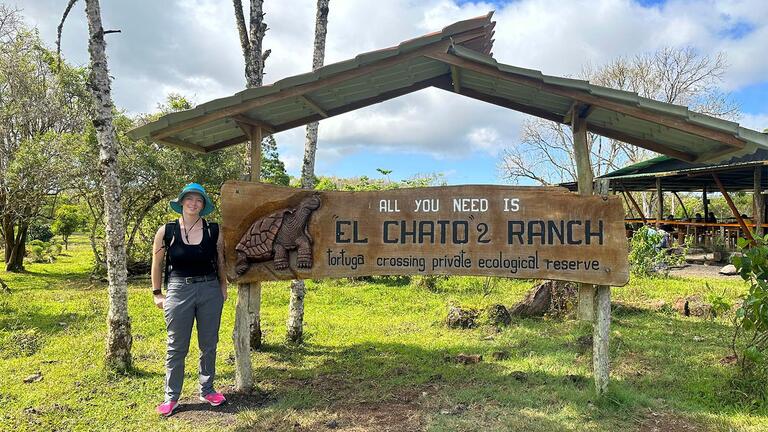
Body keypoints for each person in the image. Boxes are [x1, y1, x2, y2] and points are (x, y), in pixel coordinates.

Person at [152, 183, 228, 417]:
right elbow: (157, 263)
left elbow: (221, 260)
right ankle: (171, 396)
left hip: (209, 289)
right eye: (190, 199)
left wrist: (223, 287)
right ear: (182, 201)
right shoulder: (167, 231)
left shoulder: (213, 230)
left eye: (199, 200)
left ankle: (207, 389)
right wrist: (157, 293)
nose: (194, 203)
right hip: (178, 290)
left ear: (203, 205)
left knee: (209, 344)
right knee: (176, 346)